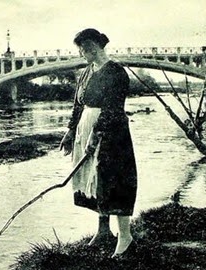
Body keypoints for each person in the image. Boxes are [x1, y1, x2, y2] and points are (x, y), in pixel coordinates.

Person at [59, 28, 138, 257]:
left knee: (114, 178)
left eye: (83, 50)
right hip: (87, 128)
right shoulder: (86, 72)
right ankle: (103, 230)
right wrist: (71, 132)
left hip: (112, 133)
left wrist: (97, 135)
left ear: (93, 47)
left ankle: (125, 236)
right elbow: (78, 105)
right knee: (95, 179)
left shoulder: (116, 73)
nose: (82, 54)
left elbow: (113, 109)